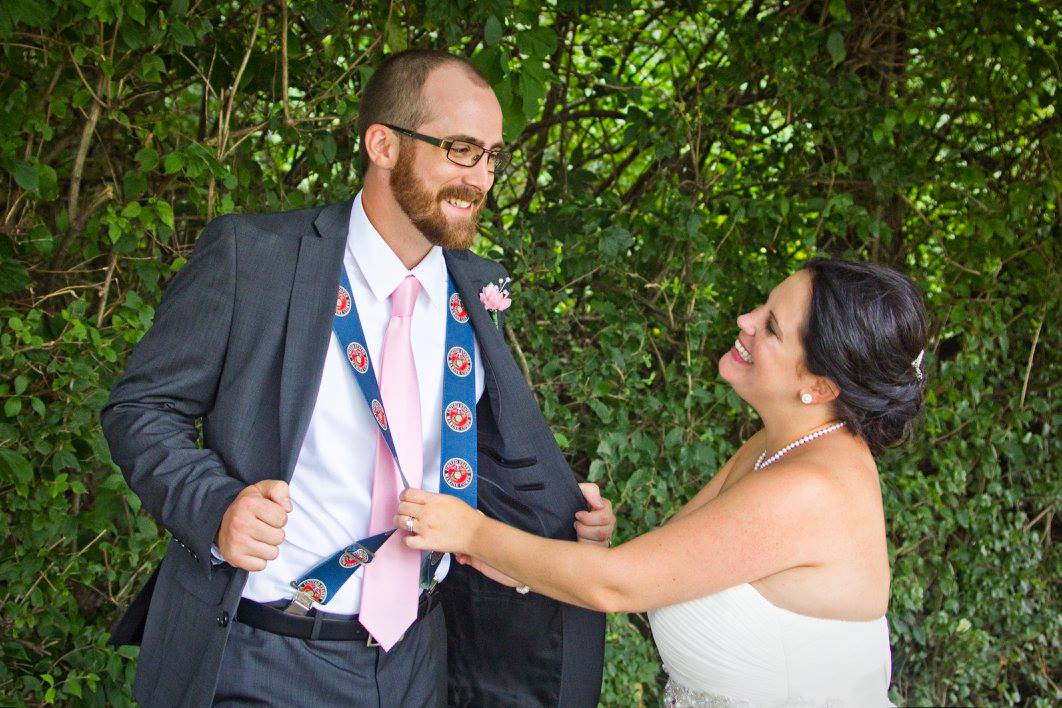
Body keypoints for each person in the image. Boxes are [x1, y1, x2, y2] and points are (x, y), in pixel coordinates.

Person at [101, 49, 614, 708]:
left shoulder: (476, 289)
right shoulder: (255, 259)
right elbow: (142, 409)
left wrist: (561, 518)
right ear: (383, 145)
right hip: (265, 653)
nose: (481, 177)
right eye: (461, 149)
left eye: (492, 156)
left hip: (420, 660)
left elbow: (472, 462)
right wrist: (216, 506)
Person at [398, 258, 928, 706]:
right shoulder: (779, 447)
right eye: (763, 305)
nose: (744, 320)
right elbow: (653, 573)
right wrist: (584, 551)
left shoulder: (810, 489)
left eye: (770, 327)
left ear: (821, 386)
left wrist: (471, 532)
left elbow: (618, 585)